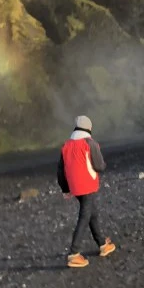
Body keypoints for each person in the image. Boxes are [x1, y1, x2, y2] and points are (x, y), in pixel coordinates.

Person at [57, 115, 116, 269]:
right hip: (87, 185)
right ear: (89, 128)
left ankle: (103, 244)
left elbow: (60, 171)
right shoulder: (90, 143)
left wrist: (65, 189)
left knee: (92, 213)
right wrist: (104, 165)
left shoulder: (66, 145)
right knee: (84, 216)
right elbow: (99, 166)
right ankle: (74, 254)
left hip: (74, 187)